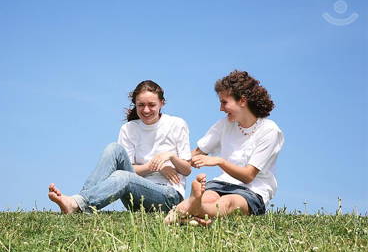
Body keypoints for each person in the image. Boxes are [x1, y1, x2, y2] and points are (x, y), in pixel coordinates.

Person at [48, 80, 192, 214]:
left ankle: (77, 204)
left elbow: (186, 169)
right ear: (135, 104)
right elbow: (130, 171)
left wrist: (170, 157)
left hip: (168, 197)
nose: (146, 110)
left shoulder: (177, 124)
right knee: (113, 148)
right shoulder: (128, 129)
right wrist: (156, 166)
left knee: (123, 175)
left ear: (162, 103)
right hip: (134, 199)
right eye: (141, 105)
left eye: (152, 105)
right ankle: (79, 201)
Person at [165, 70, 284, 226]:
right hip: (221, 183)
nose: (221, 108)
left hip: (253, 190)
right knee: (208, 197)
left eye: (224, 102)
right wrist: (169, 158)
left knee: (228, 203)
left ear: (242, 101)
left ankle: (191, 210)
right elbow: (195, 154)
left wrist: (219, 161)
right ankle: (192, 210)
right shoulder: (224, 124)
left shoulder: (269, 130)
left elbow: (248, 176)